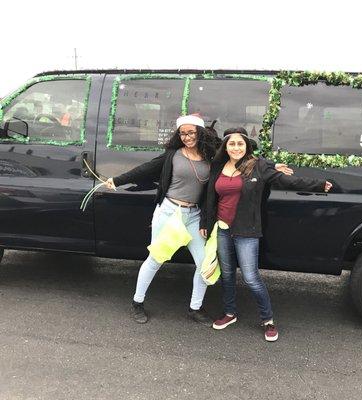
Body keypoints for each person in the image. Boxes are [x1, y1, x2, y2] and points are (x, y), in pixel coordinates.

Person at [201, 127, 332, 342]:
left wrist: (318, 184)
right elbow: (210, 199)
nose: (236, 148)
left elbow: (287, 181)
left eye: (240, 143)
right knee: (227, 275)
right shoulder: (218, 166)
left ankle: (268, 320)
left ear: (247, 146)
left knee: (251, 278)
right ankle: (230, 313)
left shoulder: (257, 166)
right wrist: (206, 222)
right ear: (225, 146)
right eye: (231, 144)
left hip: (247, 231)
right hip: (222, 229)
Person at [104, 115, 217, 326]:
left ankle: (195, 308)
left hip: (193, 216)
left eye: (191, 132)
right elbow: (145, 169)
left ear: (200, 133)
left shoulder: (211, 157)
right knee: (156, 259)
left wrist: (273, 167)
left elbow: (240, 155)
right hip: (169, 213)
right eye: (183, 133)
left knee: (204, 263)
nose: (187, 137)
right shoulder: (173, 155)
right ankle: (137, 302)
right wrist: (117, 180)